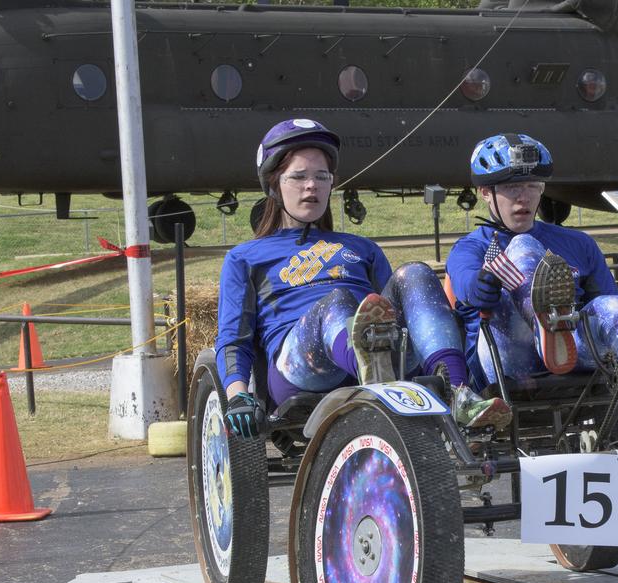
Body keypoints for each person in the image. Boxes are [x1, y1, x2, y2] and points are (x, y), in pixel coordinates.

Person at [214, 118, 510, 437]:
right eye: (298, 177)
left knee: (415, 272)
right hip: (301, 365)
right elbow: (234, 337)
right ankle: (373, 376)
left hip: (379, 343)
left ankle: (459, 394)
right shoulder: (245, 257)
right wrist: (237, 395)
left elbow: (390, 307)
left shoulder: (363, 248)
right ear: (274, 185)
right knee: (338, 301)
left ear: (331, 183)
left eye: (321, 176)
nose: (311, 185)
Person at [444, 132, 618, 436]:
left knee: (610, 305)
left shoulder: (577, 243)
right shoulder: (469, 248)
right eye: (512, 188)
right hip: (506, 359)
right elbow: (467, 288)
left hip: (572, 354)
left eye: (533, 186)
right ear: (486, 192)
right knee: (524, 246)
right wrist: (484, 283)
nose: (524, 197)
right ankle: (544, 330)